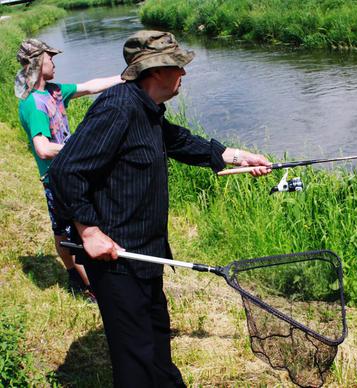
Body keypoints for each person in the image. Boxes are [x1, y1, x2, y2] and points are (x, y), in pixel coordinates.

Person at [48, 30, 272, 387]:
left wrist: (237, 156)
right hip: (116, 259)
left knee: (156, 342)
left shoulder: (146, 109)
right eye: (178, 67)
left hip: (146, 254)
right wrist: (89, 231)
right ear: (155, 71)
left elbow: (179, 140)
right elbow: (65, 172)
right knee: (135, 360)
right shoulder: (117, 108)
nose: (183, 74)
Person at [15, 38, 124, 299]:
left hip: (70, 171)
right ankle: (85, 284)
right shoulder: (34, 104)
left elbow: (89, 87)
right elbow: (42, 148)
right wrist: (81, 148)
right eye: (50, 57)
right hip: (55, 177)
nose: (54, 62)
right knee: (66, 232)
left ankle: (81, 276)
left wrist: (124, 78)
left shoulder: (54, 91)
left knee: (67, 228)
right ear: (38, 61)